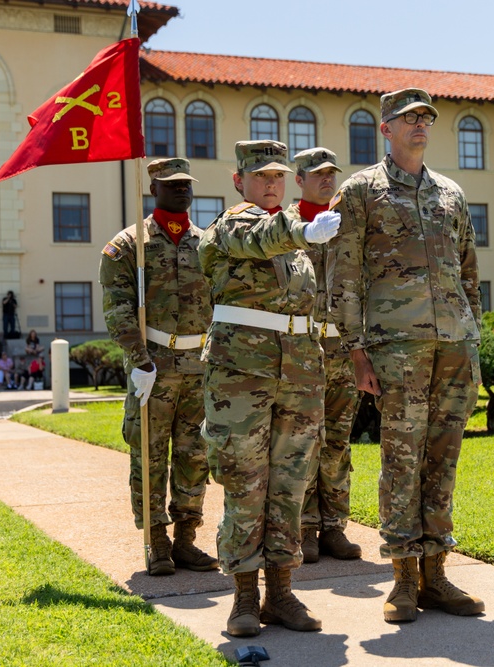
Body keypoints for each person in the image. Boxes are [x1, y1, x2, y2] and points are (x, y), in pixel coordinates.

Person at [330, 88, 485, 623]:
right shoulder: (359, 193)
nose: (420, 126)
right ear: (385, 128)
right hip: (396, 347)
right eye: (408, 119)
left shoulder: (450, 193)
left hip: (454, 346)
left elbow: (469, 272)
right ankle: (401, 580)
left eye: (426, 119)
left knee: (443, 458)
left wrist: (474, 339)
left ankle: (437, 576)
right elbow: (343, 275)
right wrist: (354, 350)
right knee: (401, 459)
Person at [198, 140, 340, 638]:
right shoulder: (230, 226)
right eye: (261, 176)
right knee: (245, 484)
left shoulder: (296, 245)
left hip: (299, 375)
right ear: (239, 181)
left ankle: (280, 593)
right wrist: (302, 228)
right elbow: (260, 238)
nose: (272, 183)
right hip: (242, 377)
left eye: (279, 175)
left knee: (291, 485)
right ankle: (242, 599)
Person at [99, 157, 219, 579]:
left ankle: (186, 539)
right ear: (154, 189)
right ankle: (157, 541)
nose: (182, 190)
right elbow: (117, 308)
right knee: (148, 457)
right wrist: (138, 359)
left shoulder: (206, 243)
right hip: (152, 367)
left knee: (194, 455)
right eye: (172, 185)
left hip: (197, 366)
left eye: (186, 184)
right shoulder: (129, 244)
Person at [286, 147, 362, 563]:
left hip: (344, 349)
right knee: (304, 441)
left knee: (337, 441)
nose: (327, 179)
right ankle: (305, 528)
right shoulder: (287, 226)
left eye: (332, 172)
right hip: (302, 348)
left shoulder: (350, 224)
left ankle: (335, 527)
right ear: (299, 180)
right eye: (317, 174)